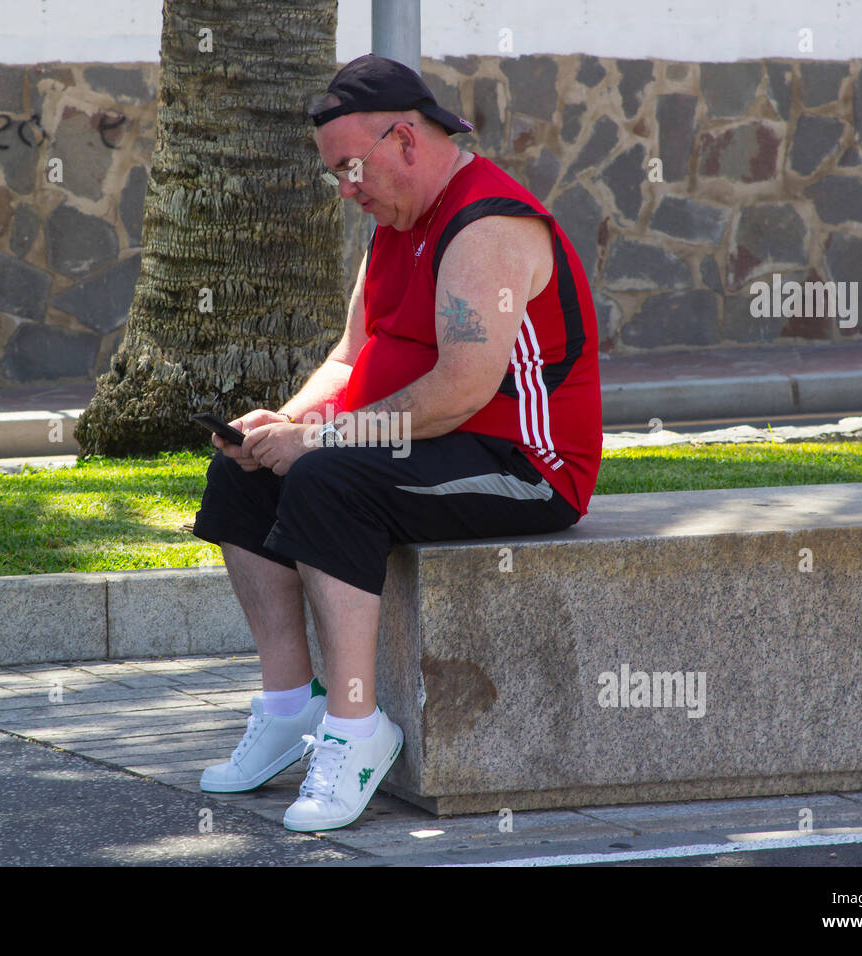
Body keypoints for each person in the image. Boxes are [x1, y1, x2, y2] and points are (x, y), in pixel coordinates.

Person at [192, 54, 602, 832]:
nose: (346, 188)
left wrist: (323, 443)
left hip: (520, 466)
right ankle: (287, 708)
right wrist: (283, 425)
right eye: (335, 173)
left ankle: (356, 729)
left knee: (326, 480)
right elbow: (349, 359)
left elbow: (460, 391)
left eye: (352, 166)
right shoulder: (395, 226)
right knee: (244, 474)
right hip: (417, 447)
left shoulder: (488, 226)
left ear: (406, 141)